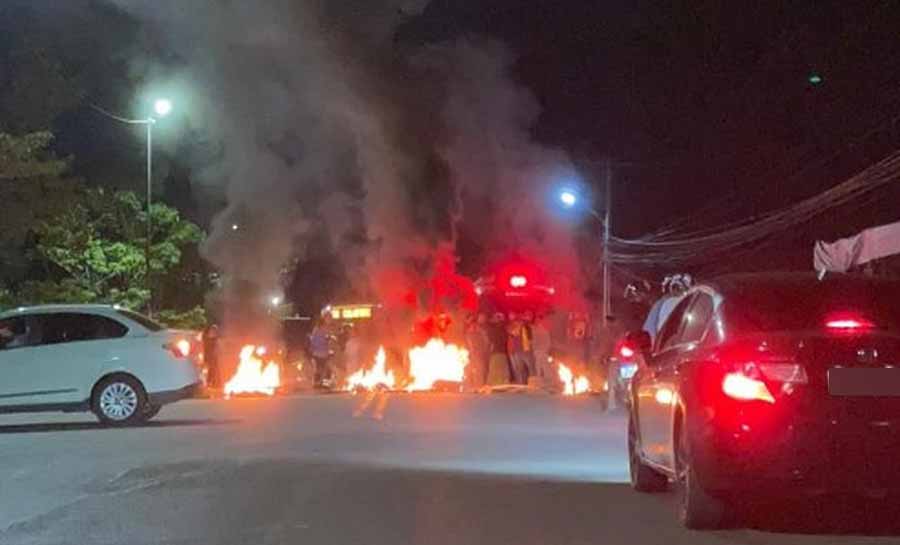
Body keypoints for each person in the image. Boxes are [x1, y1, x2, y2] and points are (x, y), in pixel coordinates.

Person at [465, 313, 490, 389]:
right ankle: (473, 385)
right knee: (473, 370)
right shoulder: (469, 333)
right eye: (471, 325)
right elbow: (470, 344)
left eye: (474, 325)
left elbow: (486, 341)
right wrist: (471, 352)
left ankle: (480, 385)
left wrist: (485, 349)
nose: (473, 326)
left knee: (480, 369)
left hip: (480, 353)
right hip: (473, 354)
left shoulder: (480, 333)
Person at [309, 316, 335, 388]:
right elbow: (325, 340)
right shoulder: (323, 331)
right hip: (323, 354)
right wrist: (328, 339)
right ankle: (325, 384)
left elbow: (312, 342)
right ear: (323, 324)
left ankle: (316, 384)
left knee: (318, 369)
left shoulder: (315, 331)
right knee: (327, 369)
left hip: (316, 354)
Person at [486, 312, 511, 385]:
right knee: (498, 368)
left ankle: (499, 382)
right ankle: (499, 382)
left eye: (497, 318)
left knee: (499, 368)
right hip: (498, 352)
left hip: (499, 352)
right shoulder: (495, 329)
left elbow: (504, 339)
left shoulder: (502, 329)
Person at [506, 313, 531, 384]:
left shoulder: (523, 329)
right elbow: (509, 331)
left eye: (518, 323)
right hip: (511, 351)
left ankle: (523, 382)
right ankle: (519, 382)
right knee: (515, 368)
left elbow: (526, 340)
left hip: (518, 351)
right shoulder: (510, 329)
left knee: (520, 368)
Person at [531, 314, 552, 379]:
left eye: (539, 320)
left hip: (542, 350)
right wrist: (534, 349)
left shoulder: (543, 330)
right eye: (536, 320)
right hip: (537, 350)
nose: (537, 321)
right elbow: (533, 340)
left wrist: (546, 349)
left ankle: (548, 378)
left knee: (544, 365)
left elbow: (548, 341)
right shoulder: (533, 330)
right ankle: (540, 378)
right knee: (538, 365)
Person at [203, 324, 221, 390]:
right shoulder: (206, 340)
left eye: (215, 331)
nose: (213, 332)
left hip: (214, 358)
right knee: (209, 370)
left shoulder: (216, 340)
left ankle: (214, 384)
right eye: (212, 330)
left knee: (214, 370)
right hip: (208, 357)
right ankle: (208, 383)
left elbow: (217, 349)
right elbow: (206, 349)